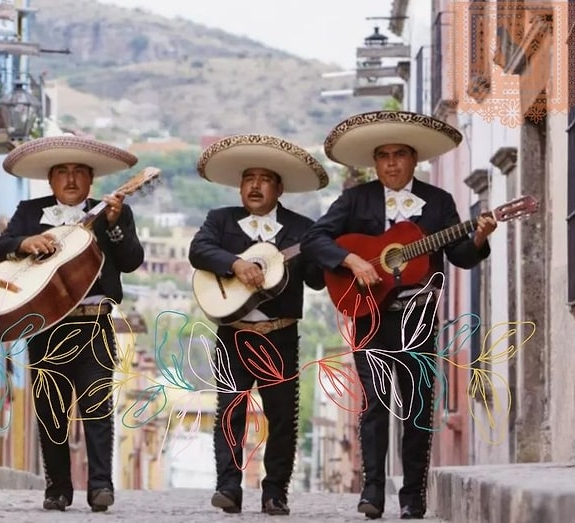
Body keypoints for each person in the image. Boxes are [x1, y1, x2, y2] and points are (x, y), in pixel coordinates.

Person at [301, 110, 498, 520]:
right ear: (376, 163)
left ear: (414, 159)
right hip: (369, 314)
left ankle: (413, 497)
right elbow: (314, 238)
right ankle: (372, 493)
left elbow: (460, 255)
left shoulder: (439, 202)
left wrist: (478, 236)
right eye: (384, 156)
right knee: (375, 404)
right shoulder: (357, 200)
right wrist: (353, 260)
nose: (391, 162)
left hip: (418, 318)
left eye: (400, 154)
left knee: (417, 407)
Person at [0, 135, 143, 512]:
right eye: (63, 172)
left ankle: (100, 486)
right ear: (50, 179)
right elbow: (2, 245)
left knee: (96, 406)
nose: (71, 179)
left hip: (93, 323)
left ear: (91, 179)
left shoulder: (113, 212)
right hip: (45, 325)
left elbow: (131, 260)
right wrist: (25, 243)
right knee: (50, 407)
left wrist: (115, 225)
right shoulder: (30, 211)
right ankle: (57, 488)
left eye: (79, 172)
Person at [188, 134, 329, 516]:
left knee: (282, 417)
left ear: (279, 187)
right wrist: (235, 265)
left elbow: (316, 279)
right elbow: (198, 250)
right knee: (230, 409)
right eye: (248, 178)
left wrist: (328, 253)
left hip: (279, 334)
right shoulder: (220, 220)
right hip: (233, 333)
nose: (254, 185)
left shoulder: (303, 228)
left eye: (264, 178)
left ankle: (274, 493)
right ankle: (229, 488)